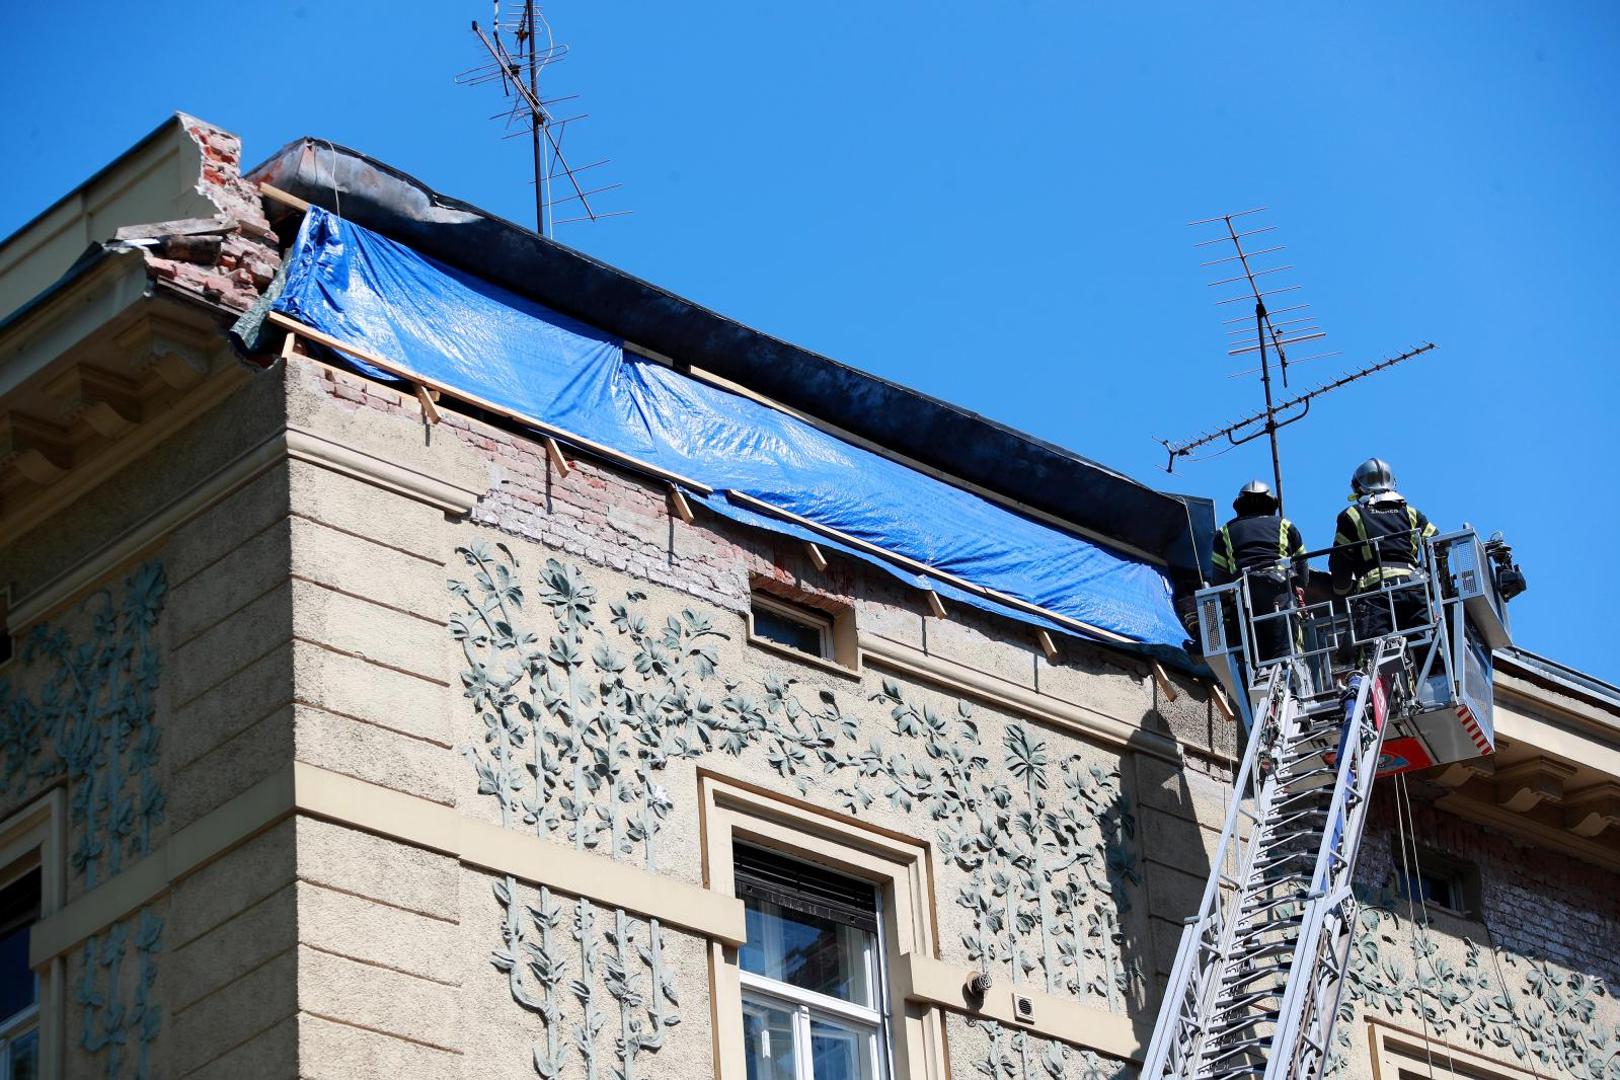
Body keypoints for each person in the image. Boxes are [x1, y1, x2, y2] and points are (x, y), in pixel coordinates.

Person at [1329, 458, 1438, 646]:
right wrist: (1426, 577)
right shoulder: (1412, 513)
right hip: (1414, 589)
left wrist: (1341, 590)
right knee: (1426, 647)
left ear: (1358, 488)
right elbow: (1437, 544)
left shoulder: (1352, 515)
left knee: (1375, 650)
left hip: (1376, 594)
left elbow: (1340, 561)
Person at [1211, 480, 1308, 664]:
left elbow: (1219, 579)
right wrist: (1299, 588)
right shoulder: (1285, 525)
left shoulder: (1224, 532)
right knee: (1287, 651)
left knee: (1253, 655)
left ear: (1240, 506)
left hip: (1243, 597)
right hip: (1280, 591)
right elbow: (1302, 564)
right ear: (1271, 504)